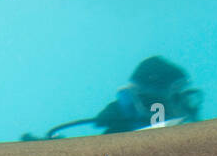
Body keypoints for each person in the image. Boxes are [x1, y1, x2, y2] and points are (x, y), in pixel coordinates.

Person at [21, 56, 203, 140]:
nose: (189, 107)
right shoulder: (118, 139)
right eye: (179, 97)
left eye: (190, 98)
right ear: (151, 103)